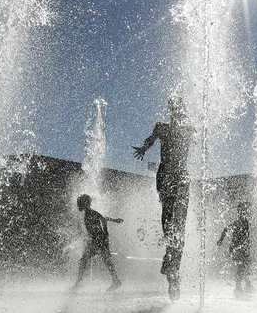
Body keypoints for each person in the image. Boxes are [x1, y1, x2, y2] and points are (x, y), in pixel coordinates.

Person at [132, 96, 194, 300]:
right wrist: (143, 148)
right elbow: (150, 140)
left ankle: (173, 266)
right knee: (168, 220)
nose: (177, 111)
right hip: (166, 175)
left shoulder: (188, 129)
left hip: (183, 177)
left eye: (180, 107)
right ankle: (171, 262)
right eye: (174, 107)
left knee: (180, 224)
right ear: (171, 110)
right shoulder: (162, 127)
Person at [71, 194, 123, 292]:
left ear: (84, 203)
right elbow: (103, 218)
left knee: (85, 260)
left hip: (98, 240)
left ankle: (78, 283)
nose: (78, 205)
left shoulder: (89, 212)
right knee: (105, 261)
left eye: (80, 202)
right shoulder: (89, 212)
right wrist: (114, 221)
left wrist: (106, 233)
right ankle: (116, 280)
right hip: (99, 239)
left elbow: (102, 220)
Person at [216, 201, 254, 298]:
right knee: (241, 267)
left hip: (242, 248)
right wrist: (220, 240)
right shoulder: (238, 222)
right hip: (237, 249)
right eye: (243, 211)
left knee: (246, 265)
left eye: (246, 211)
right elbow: (226, 229)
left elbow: (226, 229)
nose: (245, 212)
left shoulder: (245, 222)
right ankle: (238, 288)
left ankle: (247, 285)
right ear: (239, 212)